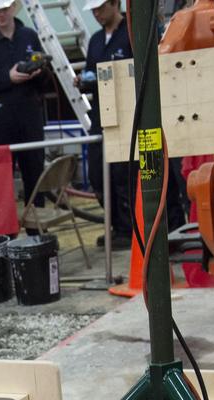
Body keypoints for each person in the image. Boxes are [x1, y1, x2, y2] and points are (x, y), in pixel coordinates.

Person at [0, 0, 48, 208]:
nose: (1, 15)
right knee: (1, 178)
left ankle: (37, 230)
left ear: (13, 7)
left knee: (35, 173)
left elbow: (44, 79)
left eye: (4, 10)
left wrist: (38, 71)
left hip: (29, 116)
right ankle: (6, 234)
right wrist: (7, 79)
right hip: (0, 122)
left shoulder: (29, 36)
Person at [81, 0, 133, 249]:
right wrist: (84, 82)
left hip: (126, 114)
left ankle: (127, 227)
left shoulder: (132, 34)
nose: (96, 14)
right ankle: (116, 224)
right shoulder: (95, 40)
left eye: (100, 9)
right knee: (97, 173)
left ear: (115, 4)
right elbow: (92, 72)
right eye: (93, 11)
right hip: (102, 115)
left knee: (123, 174)